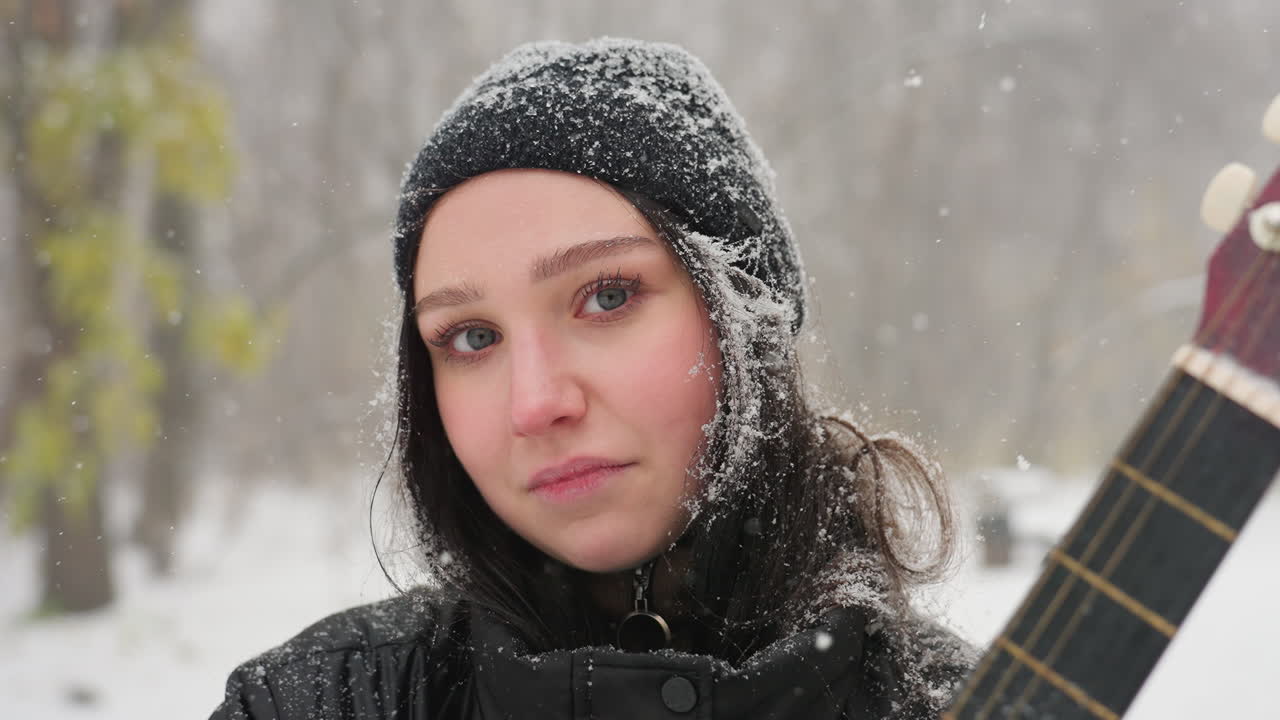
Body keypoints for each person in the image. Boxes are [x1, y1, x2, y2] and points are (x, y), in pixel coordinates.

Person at [210, 37, 974, 720]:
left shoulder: (975, 702)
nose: (536, 404)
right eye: (472, 338)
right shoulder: (319, 702)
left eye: (608, 296)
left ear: (747, 319)